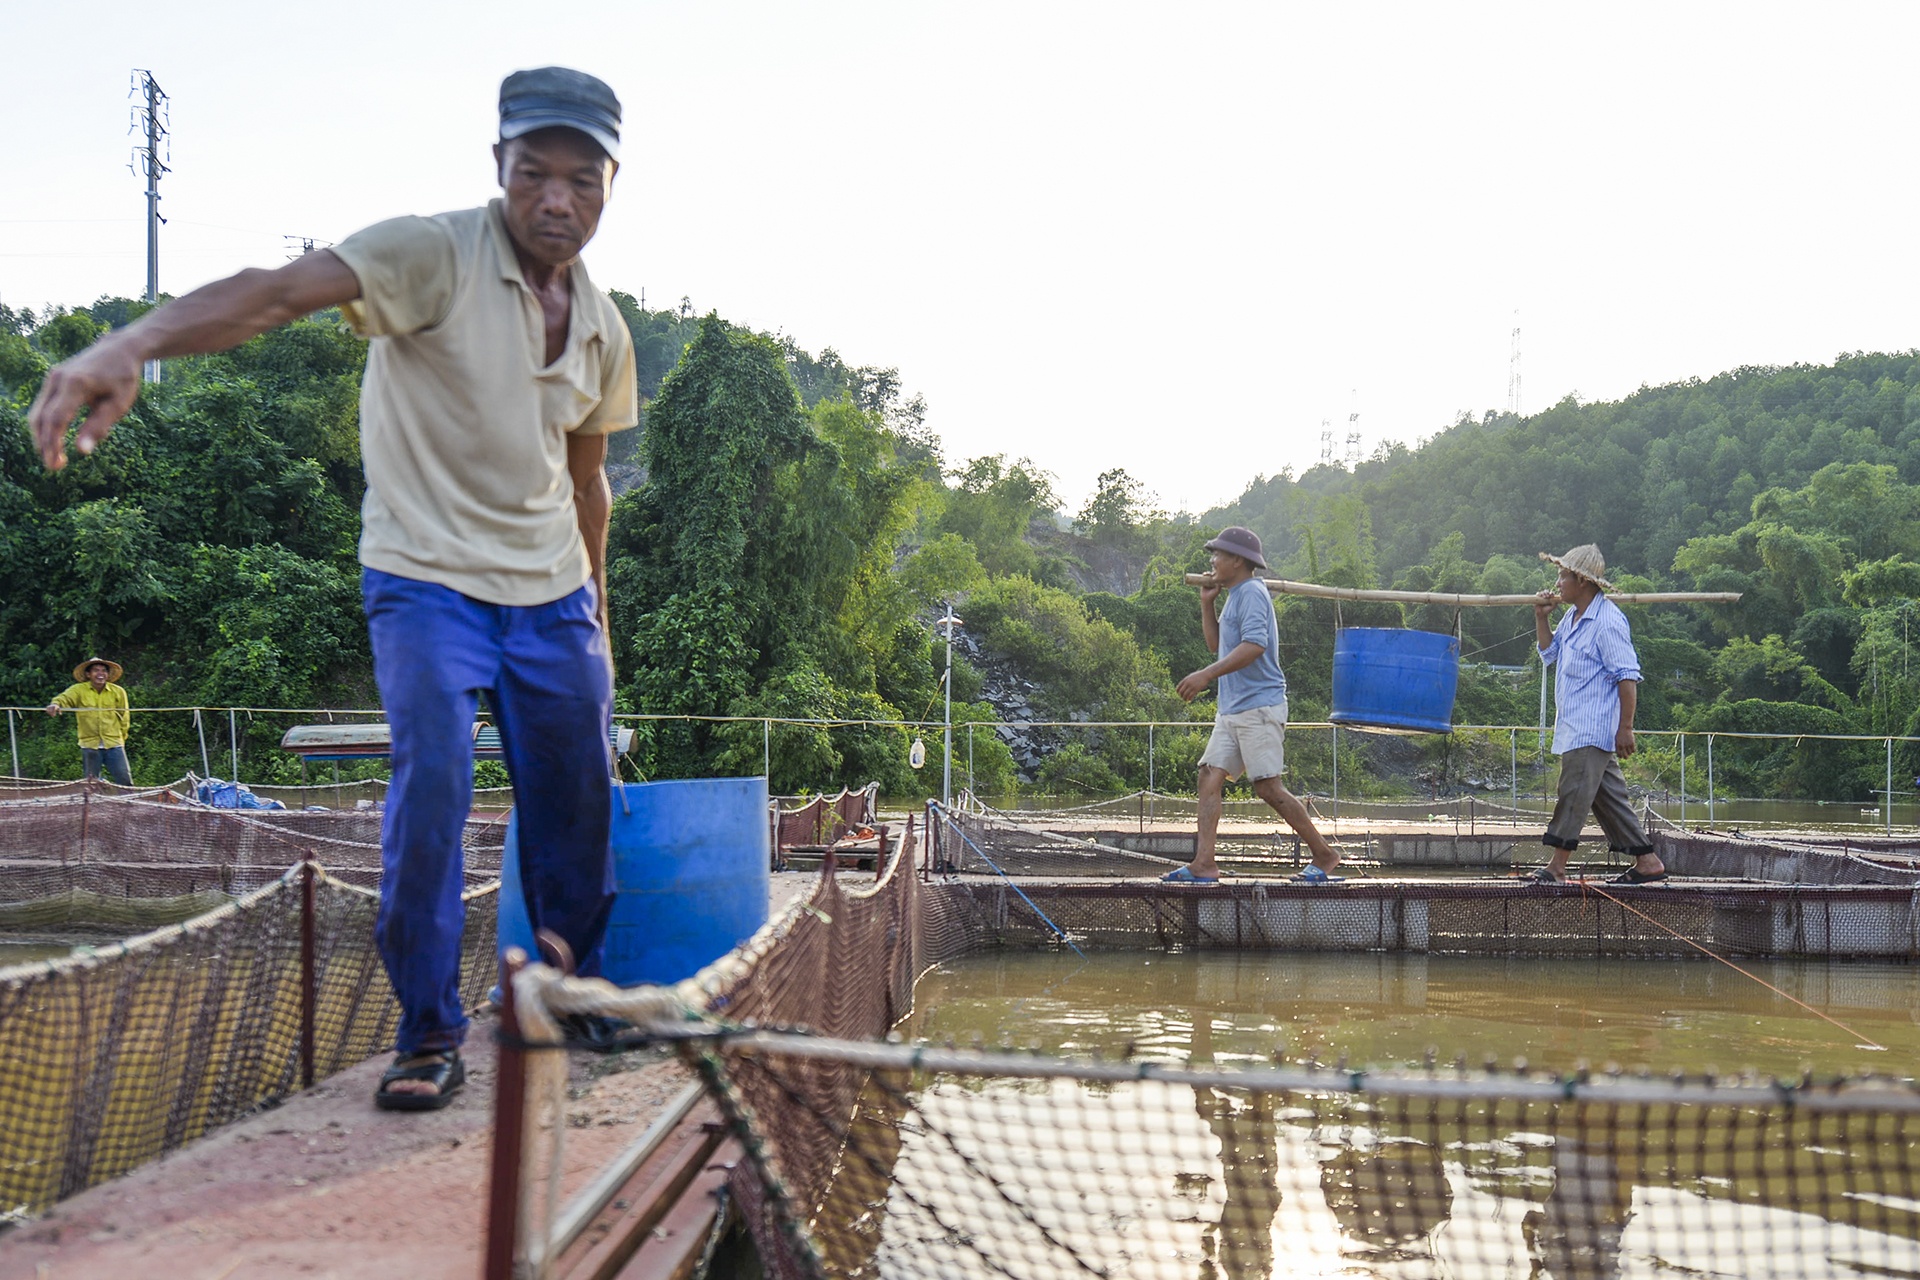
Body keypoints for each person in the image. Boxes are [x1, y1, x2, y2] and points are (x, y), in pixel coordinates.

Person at [29, 68, 637, 1110]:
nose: (555, 199)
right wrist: (131, 340)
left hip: (552, 594)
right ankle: (428, 1029)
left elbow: (587, 485)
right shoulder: (428, 254)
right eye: (533, 171)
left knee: (578, 797)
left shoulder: (601, 327)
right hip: (426, 580)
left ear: (609, 186)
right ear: (498, 165)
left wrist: (599, 625)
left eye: (581, 180)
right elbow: (275, 292)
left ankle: (567, 985)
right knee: (434, 782)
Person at [1167, 527, 1342, 884]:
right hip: (1232, 709)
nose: (1212, 560)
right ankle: (1204, 864)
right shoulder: (1235, 596)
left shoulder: (1252, 593)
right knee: (1208, 776)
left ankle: (1324, 855)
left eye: (1218, 554)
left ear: (1237, 560)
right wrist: (1207, 603)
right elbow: (1218, 646)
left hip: (1259, 707)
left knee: (1267, 787)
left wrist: (1205, 676)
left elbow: (1254, 646)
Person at [1531, 544, 1668, 885]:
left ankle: (1556, 867)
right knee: (1609, 800)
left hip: (1591, 729)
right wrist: (1541, 617)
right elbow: (1549, 653)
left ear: (1581, 580)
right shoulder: (1572, 617)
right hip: (1575, 724)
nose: (1558, 583)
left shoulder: (1607, 622)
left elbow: (1627, 677)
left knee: (1573, 792)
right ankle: (1647, 861)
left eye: (1563, 576)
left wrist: (1626, 728)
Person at [45, 657, 133, 786]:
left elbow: (124, 717)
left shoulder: (118, 692)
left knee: (124, 778)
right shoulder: (78, 690)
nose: (100, 674)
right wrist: (56, 704)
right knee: (91, 782)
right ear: (88, 674)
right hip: (90, 743)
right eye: (96, 670)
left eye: (104, 671)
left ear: (107, 674)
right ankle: (94, 799)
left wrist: (122, 738)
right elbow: (64, 698)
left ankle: (128, 799)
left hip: (114, 742)